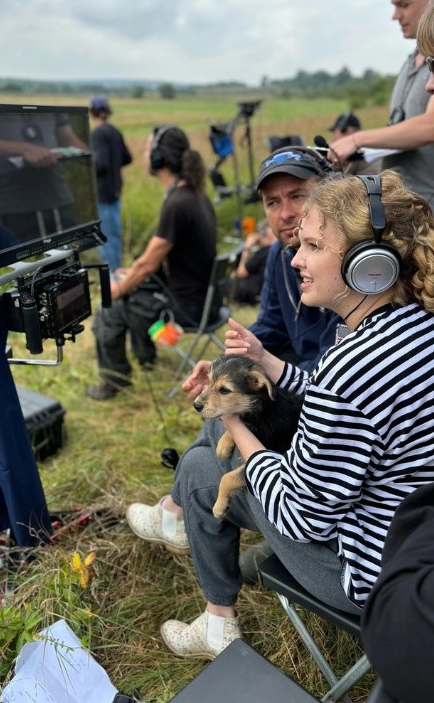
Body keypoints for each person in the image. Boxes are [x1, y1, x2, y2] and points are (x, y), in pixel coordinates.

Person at [156, 169, 434, 660]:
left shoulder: (351, 367)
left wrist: (235, 425)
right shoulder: (420, 324)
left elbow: (300, 516)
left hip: (371, 578)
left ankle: (215, 620)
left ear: (366, 264)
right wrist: (267, 364)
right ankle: (190, 529)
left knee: (203, 470)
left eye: (312, 246)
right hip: (423, 547)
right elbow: (343, 408)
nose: (295, 258)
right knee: (213, 450)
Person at [125, 147, 343, 566]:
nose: (285, 213)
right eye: (272, 202)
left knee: (230, 415)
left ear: (327, 194)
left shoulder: (344, 271)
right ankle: (186, 511)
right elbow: (271, 326)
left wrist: (259, 374)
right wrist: (231, 363)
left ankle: (179, 510)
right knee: (221, 413)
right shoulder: (282, 258)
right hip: (296, 387)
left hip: (315, 406)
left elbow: (337, 382)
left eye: (298, 196)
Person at [359, 0, 434, 703]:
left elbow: (308, 511)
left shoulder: (364, 359)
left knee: (209, 473)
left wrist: (239, 440)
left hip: (378, 567)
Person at [87, 125, 216, 400]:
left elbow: (147, 264)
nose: (145, 155)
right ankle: (147, 360)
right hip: (204, 299)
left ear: (160, 158)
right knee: (134, 287)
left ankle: (114, 382)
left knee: (111, 307)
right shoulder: (194, 194)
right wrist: (131, 274)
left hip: (186, 307)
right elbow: (154, 261)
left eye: (147, 149)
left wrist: (119, 287)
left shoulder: (178, 203)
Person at [328, 0, 434, 219]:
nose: (395, 15)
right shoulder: (413, 59)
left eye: (403, 4)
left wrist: (357, 139)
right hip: (404, 212)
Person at [0, 110, 90, 241]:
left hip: (61, 199)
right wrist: (25, 149)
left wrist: (94, 157)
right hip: (19, 205)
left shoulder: (45, 98)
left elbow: (69, 139)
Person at [88, 95, 133, 273]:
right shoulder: (115, 131)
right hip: (116, 191)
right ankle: (118, 272)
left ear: (93, 112)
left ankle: (112, 278)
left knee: (105, 237)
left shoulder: (98, 133)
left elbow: (101, 164)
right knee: (115, 235)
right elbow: (127, 158)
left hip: (103, 193)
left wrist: (86, 165)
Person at [232, 220, 274, 305]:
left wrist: (247, 248)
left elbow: (241, 272)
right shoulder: (277, 250)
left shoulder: (264, 251)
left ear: (265, 234)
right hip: (265, 292)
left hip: (253, 294)